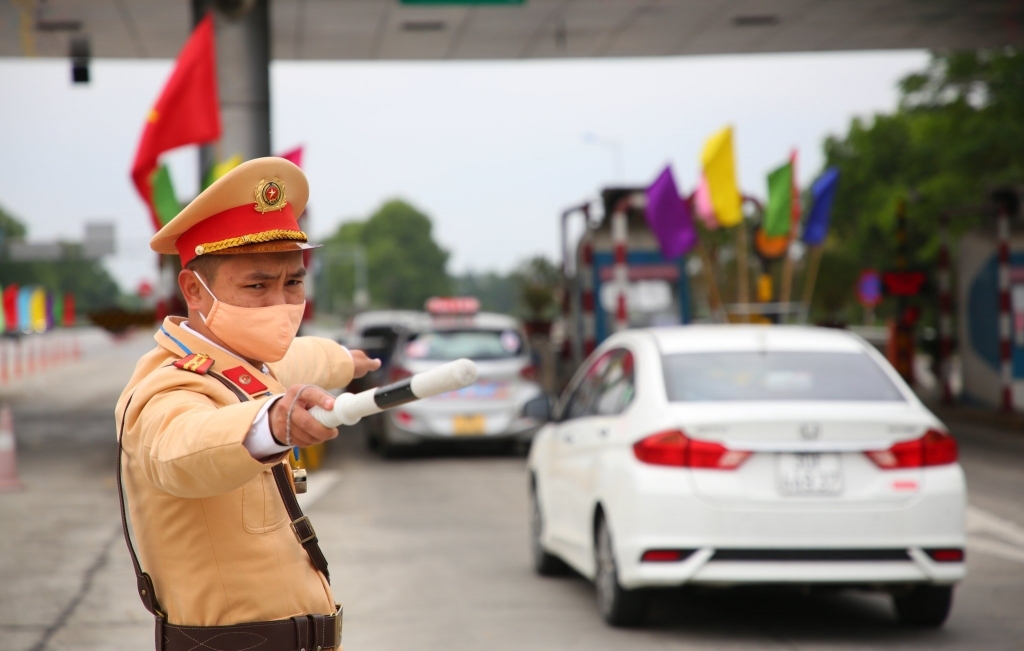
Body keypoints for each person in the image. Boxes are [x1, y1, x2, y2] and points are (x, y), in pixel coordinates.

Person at [115, 157, 379, 651]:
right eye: (257, 285)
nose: (280, 304)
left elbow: (304, 357)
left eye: (293, 283)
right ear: (194, 290)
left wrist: (346, 359)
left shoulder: (249, 362)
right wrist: (273, 422)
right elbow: (181, 448)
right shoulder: (166, 387)